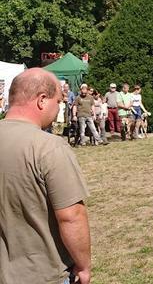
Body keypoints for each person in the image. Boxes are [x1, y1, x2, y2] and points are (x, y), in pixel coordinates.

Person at [0, 68, 91, 284]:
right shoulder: (48, 147)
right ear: (42, 100)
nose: (58, 107)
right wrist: (84, 266)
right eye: (58, 101)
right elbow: (71, 215)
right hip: (41, 274)